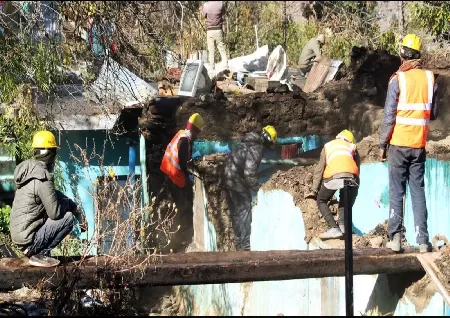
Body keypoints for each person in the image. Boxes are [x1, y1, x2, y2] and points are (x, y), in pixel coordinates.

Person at [379, 34, 439, 253]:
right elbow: (433, 113)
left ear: (402, 54)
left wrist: (382, 144)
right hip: (418, 145)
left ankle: (395, 239)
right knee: (418, 191)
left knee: (397, 191)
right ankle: (423, 241)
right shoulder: (430, 78)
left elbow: (389, 117)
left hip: (398, 144)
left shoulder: (398, 79)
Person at [10, 131, 87, 267]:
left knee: (63, 209)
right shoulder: (43, 177)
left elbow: (53, 194)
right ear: (50, 154)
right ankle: (40, 255)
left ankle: (37, 253)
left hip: (20, 239)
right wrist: (72, 210)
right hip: (29, 242)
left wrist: (73, 206)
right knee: (67, 218)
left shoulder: (30, 172)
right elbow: (55, 213)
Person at [222, 125, 277, 251]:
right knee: (245, 212)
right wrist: (260, 189)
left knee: (236, 213)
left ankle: (238, 242)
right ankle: (245, 247)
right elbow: (249, 173)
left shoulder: (246, 143)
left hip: (226, 178)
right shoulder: (256, 149)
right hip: (236, 181)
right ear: (268, 141)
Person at [160, 113, 204, 251]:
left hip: (169, 172)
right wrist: (189, 178)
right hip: (175, 176)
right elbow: (184, 164)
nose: (198, 135)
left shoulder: (181, 134)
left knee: (181, 204)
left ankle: (179, 233)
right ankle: (181, 237)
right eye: (198, 132)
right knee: (184, 205)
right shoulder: (185, 141)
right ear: (195, 130)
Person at [306, 130, 360, 240]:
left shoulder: (328, 146)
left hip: (333, 177)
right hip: (352, 178)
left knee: (321, 200)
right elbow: (358, 168)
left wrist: (314, 190)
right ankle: (343, 225)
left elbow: (319, 170)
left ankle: (333, 228)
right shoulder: (352, 146)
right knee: (345, 199)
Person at [202, 1, 228, 69]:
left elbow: (203, 15)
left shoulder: (206, 5)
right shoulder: (221, 4)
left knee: (211, 50)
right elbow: (224, 13)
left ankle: (212, 67)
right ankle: (225, 65)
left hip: (210, 30)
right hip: (218, 29)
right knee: (221, 47)